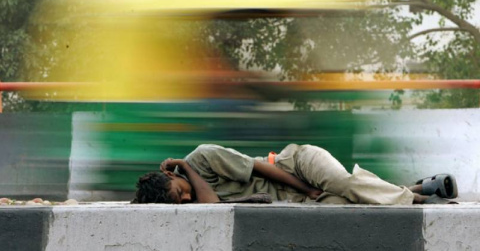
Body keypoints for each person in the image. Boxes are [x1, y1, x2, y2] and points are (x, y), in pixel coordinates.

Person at [133, 144, 458, 204]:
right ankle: (421, 186)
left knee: (342, 183)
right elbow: (210, 205)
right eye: (181, 201)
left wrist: (309, 188)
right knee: (349, 201)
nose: (186, 196)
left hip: (297, 164)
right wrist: (187, 176)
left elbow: (263, 168)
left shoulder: (202, 157)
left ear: (172, 175)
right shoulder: (196, 193)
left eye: (180, 190)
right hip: (297, 196)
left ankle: (420, 199)